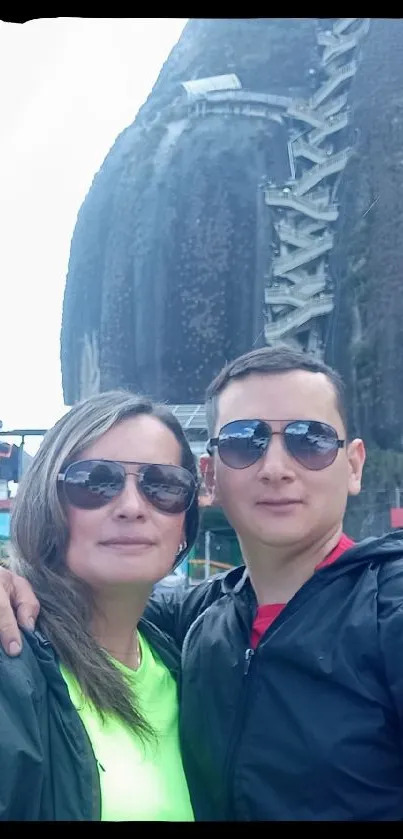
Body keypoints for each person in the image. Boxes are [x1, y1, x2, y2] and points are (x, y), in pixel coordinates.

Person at [3, 345, 403, 821]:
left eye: (309, 440)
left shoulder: (389, 607)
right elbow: (90, 606)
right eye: (243, 441)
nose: (276, 468)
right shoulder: (194, 624)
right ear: (209, 478)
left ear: (353, 465)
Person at [0, 391, 199, 820]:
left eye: (162, 485)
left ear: (185, 521)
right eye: (95, 482)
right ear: (49, 504)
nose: (131, 507)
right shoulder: (11, 659)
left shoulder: (189, 665)